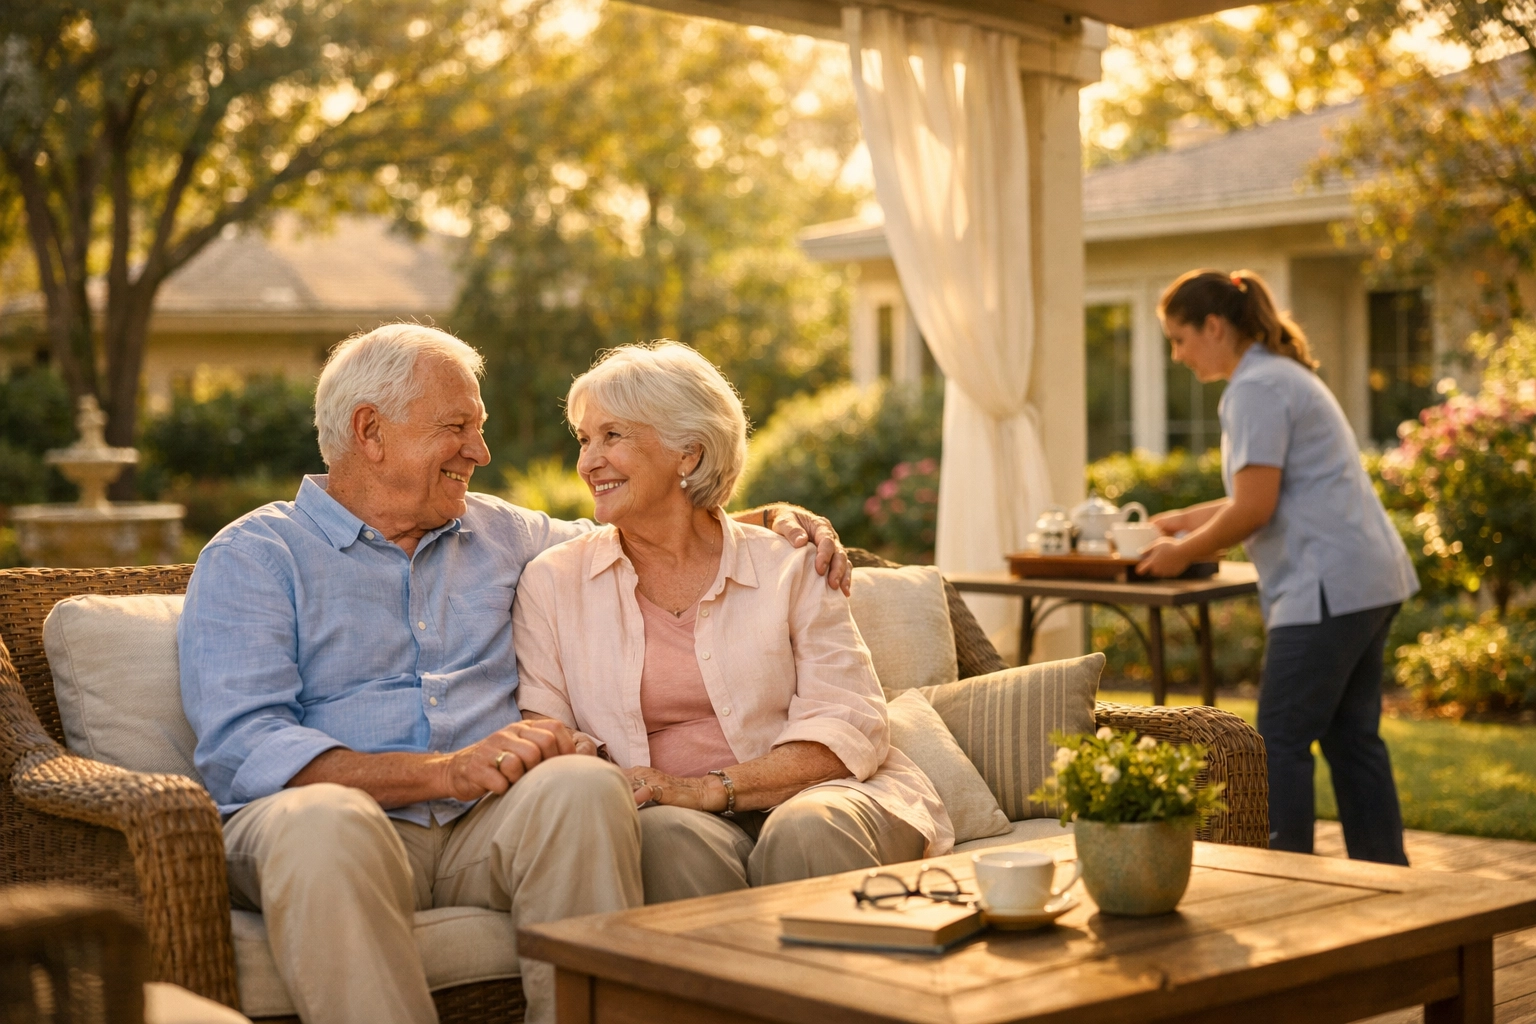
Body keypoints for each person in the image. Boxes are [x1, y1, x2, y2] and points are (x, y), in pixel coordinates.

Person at [178, 323, 850, 1024]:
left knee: (583, 786)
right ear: (370, 431)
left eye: (480, 428)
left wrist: (769, 521)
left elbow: (651, 530)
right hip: (328, 828)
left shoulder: (501, 533)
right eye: (457, 427)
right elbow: (244, 748)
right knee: (326, 823)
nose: (481, 451)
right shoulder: (255, 555)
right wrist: (442, 771)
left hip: (481, 825)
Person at [512, 342, 952, 903]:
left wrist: (708, 789)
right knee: (663, 839)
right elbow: (546, 726)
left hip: (818, 794)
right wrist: (599, 769)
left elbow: (847, 721)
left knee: (808, 830)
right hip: (665, 812)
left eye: (612, 436)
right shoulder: (553, 581)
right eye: (584, 439)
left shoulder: (790, 564)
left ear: (688, 456)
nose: (587, 462)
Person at [1135, 269, 1419, 865]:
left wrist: (1180, 553)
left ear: (1215, 327)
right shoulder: (1279, 375)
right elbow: (1270, 492)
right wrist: (1186, 520)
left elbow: (1255, 509)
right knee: (1351, 739)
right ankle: (1390, 882)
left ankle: (1282, 879)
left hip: (1328, 588)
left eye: (1180, 338)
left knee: (1279, 741)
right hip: (1367, 578)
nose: (1177, 354)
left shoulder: (1255, 388)